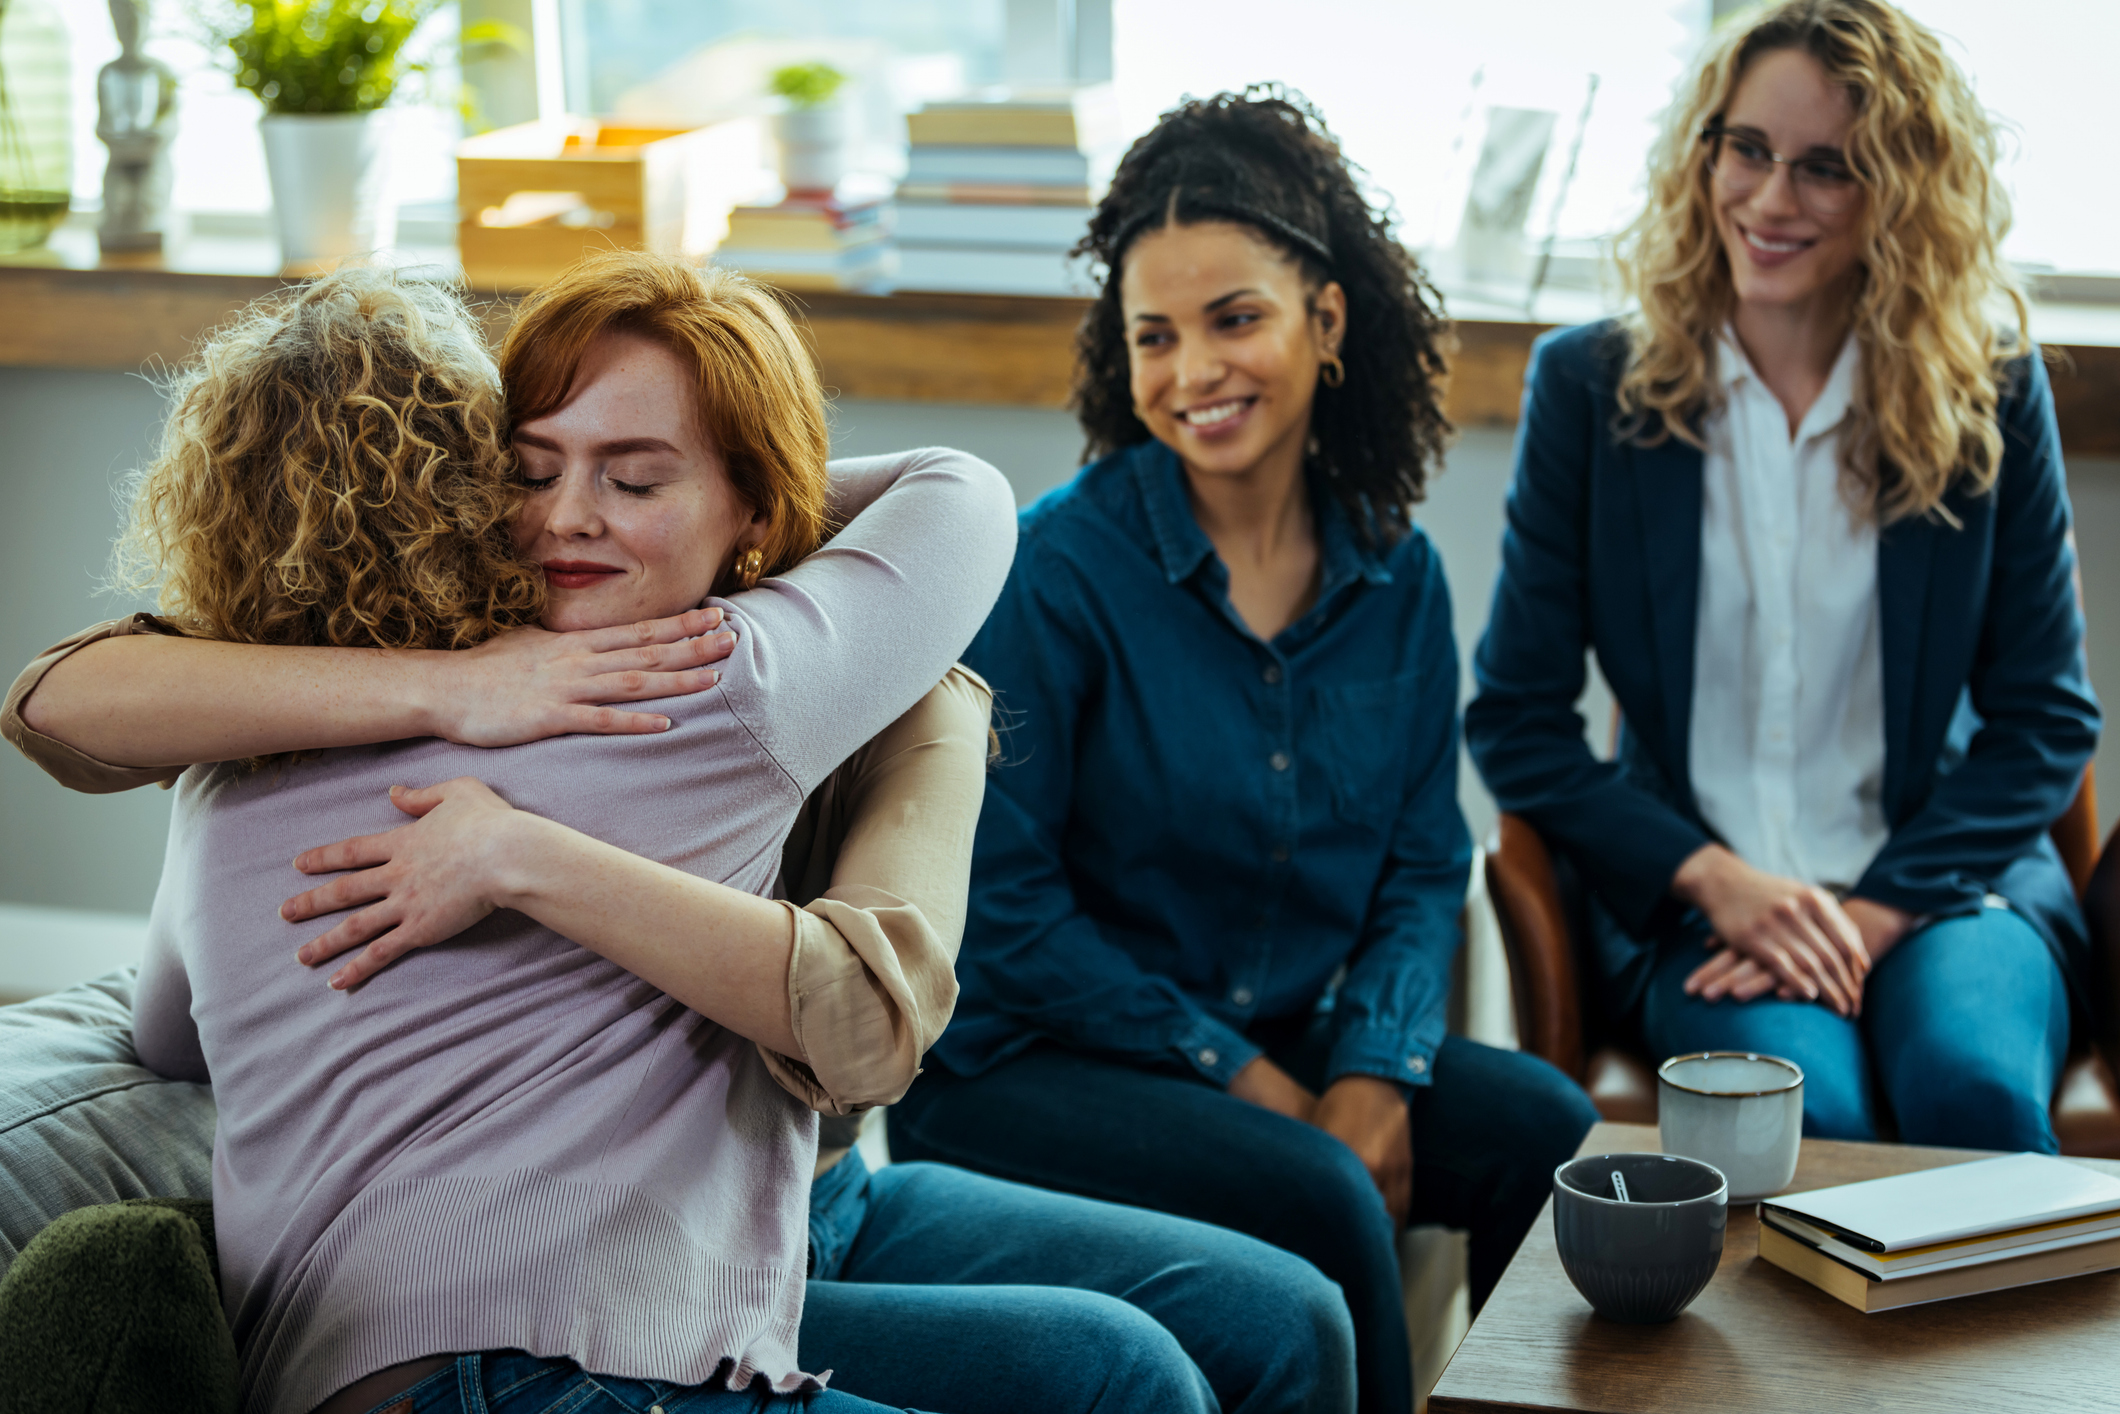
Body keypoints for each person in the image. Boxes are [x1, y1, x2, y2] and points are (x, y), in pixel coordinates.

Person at [6, 259, 1357, 1414]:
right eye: (529, 473)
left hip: (613, 1270)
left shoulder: (221, 762)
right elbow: (959, 493)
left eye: (632, 477)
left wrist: (500, 825)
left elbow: (169, 1018)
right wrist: (696, 511)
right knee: (1142, 1371)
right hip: (553, 1345)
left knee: (1211, 1336)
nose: (568, 516)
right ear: (469, 486)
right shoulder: (711, 676)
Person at [883, 89, 1599, 1414]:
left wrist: (1379, 1070)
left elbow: (1421, 860)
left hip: (1292, 1030)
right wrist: (1264, 1082)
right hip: (1035, 1065)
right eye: (1153, 336)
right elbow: (1011, 914)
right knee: (1323, 1179)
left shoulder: (1400, 574)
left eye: (1234, 319)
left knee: (1550, 1130)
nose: (1191, 373)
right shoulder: (1055, 570)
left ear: (1326, 321)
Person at [1463, 0, 2098, 1153]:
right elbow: (1514, 721)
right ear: (1702, 149)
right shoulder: (1589, 389)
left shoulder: (1984, 392)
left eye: (1825, 169)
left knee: (1973, 1094)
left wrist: (1865, 917)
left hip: (1939, 883)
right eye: (1744, 149)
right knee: (1805, 1126)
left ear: (1900, 193)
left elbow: (2044, 721)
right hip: (1702, 903)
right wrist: (1710, 877)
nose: (1766, 200)